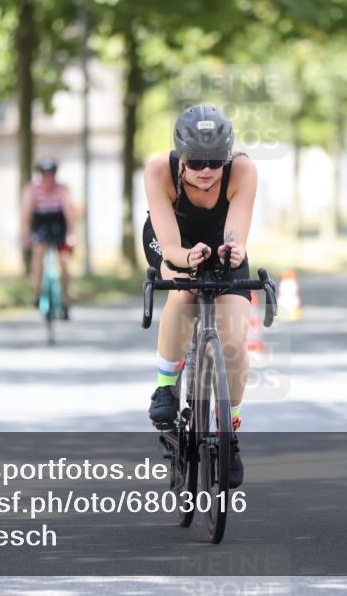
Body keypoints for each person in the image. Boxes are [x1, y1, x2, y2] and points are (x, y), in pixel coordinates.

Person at [142, 104, 257, 489]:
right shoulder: (158, 171)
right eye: (195, 162)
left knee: (236, 341)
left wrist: (232, 251)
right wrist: (184, 261)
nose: (205, 171)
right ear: (180, 157)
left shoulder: (243, 171)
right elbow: (172, 246)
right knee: (182, 292)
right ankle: (165, 385)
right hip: (173, 240)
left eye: (215, 161)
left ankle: (231, 430)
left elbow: (235, 236)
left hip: (221, 247)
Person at [20, 158, 75, 319]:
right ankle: (37, 291)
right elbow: (25, 215)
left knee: (64, 261)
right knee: (38, 252)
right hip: (41, 225)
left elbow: (70, 213)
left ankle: (65, 299)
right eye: (45, 174)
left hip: (59, 224)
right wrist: (25, 236)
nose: (48, 178)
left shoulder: (62, 189)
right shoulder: (32, 189)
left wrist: (72, 234)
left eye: (51, 174)